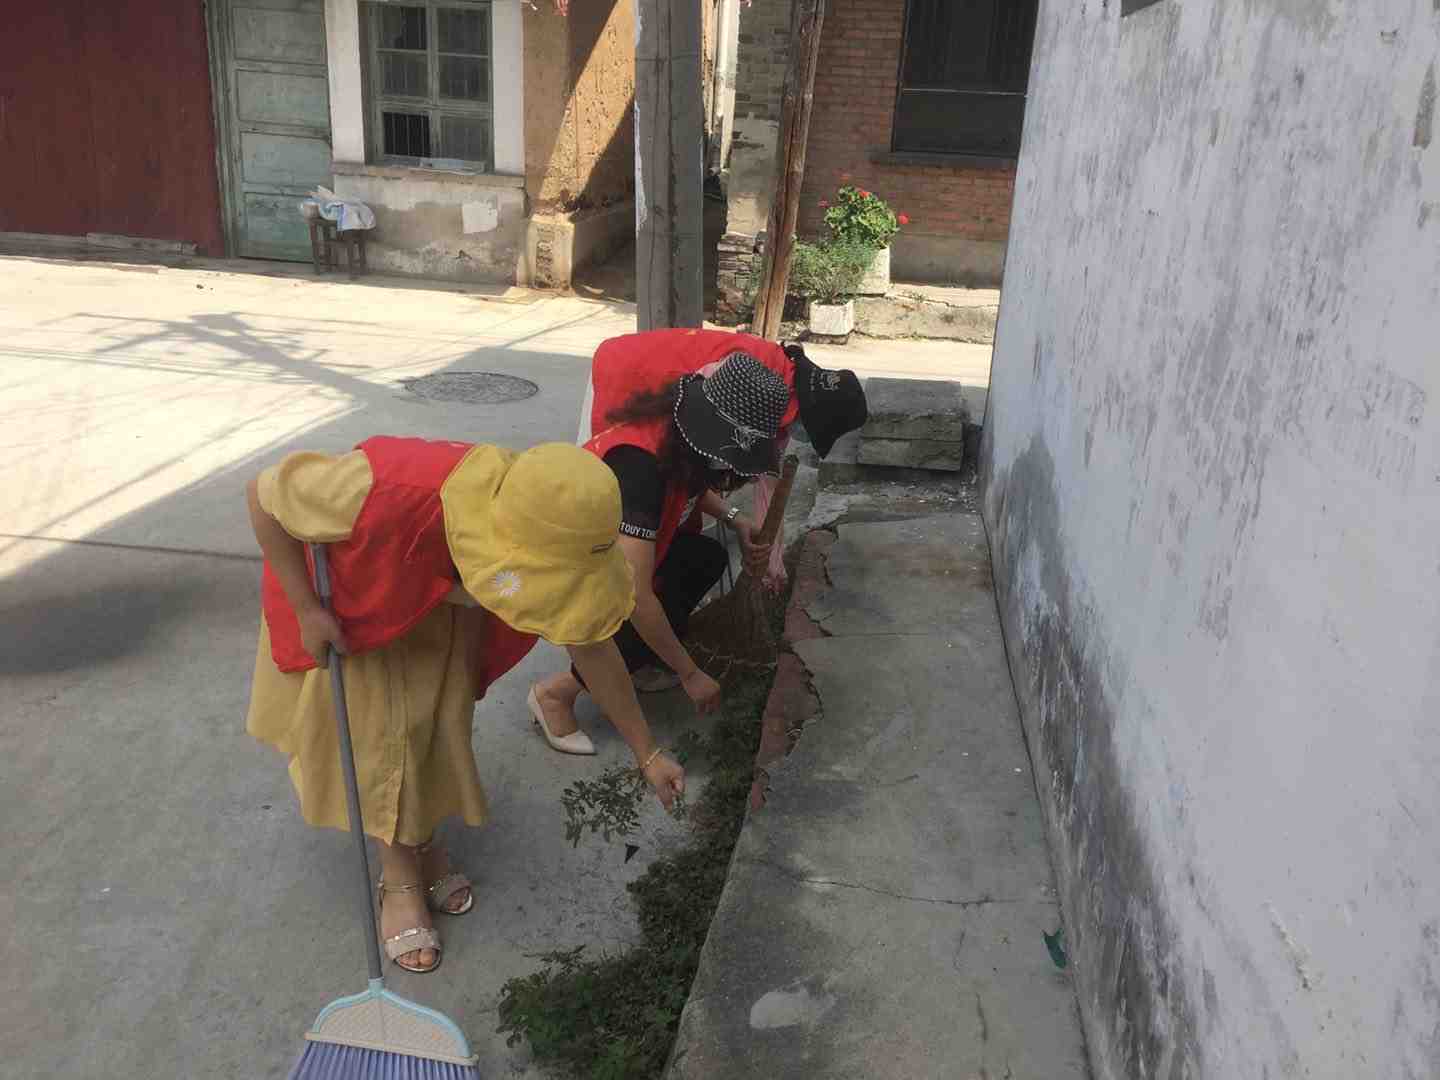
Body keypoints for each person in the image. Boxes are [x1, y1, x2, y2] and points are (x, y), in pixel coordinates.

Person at [246, 438, 683, 974]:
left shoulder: (548, 520)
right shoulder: (384, 488)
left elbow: (590, 645)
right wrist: (306, 609)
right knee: (385, 741)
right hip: (363, 609)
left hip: (441, 612)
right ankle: (399, 877)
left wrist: (647, 752)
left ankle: (422, 840)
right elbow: (261, 496)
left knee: (437, 729)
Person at [530, 347, 838, 751]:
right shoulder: (639, 467)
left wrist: (736, 519)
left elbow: (690, 489)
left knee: (704, 559)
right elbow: (636, 596)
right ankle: (556, 693)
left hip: (614, 552)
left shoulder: (683, 439)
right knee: (643, 609)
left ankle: (640, 657)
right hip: (566, 563)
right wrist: (690, 673)